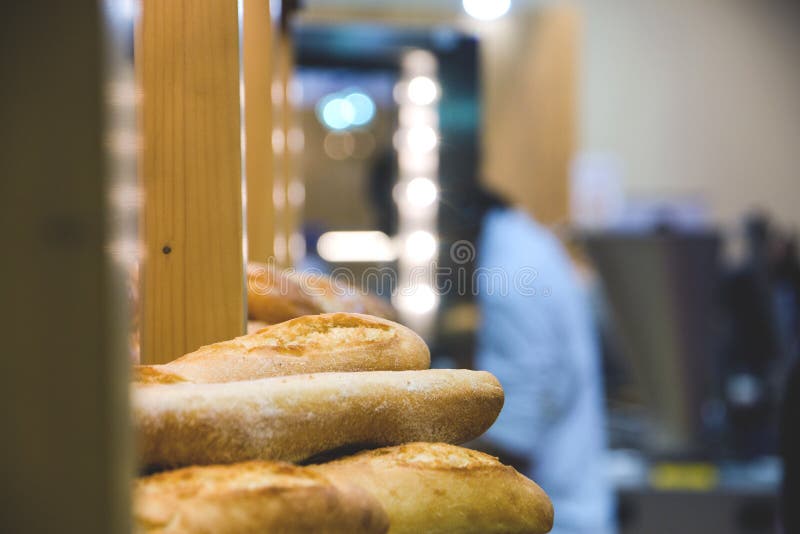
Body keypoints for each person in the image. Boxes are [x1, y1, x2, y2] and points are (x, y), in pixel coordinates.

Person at [474, 192, 615, 534]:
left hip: (556, 514)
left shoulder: (509, 271)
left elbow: (516, 435)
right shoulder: (528, 244)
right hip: (571, 502)